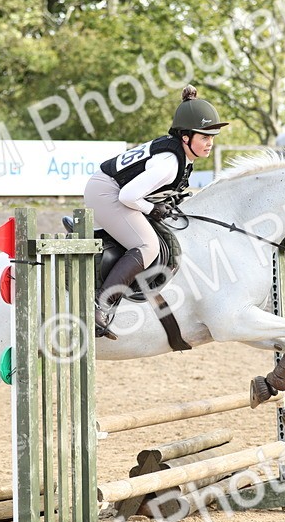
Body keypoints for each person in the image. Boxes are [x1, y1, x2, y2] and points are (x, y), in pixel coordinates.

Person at [84, 85, 228, 339]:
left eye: (212, 137)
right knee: (147, 244)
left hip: (111, 187)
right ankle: (100, 305)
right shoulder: (170, 164)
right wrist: (153, 209)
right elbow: (127, 196)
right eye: (204, 137)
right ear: (185, 137)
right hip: (106, 192)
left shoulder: (179, 155)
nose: (210, 143)